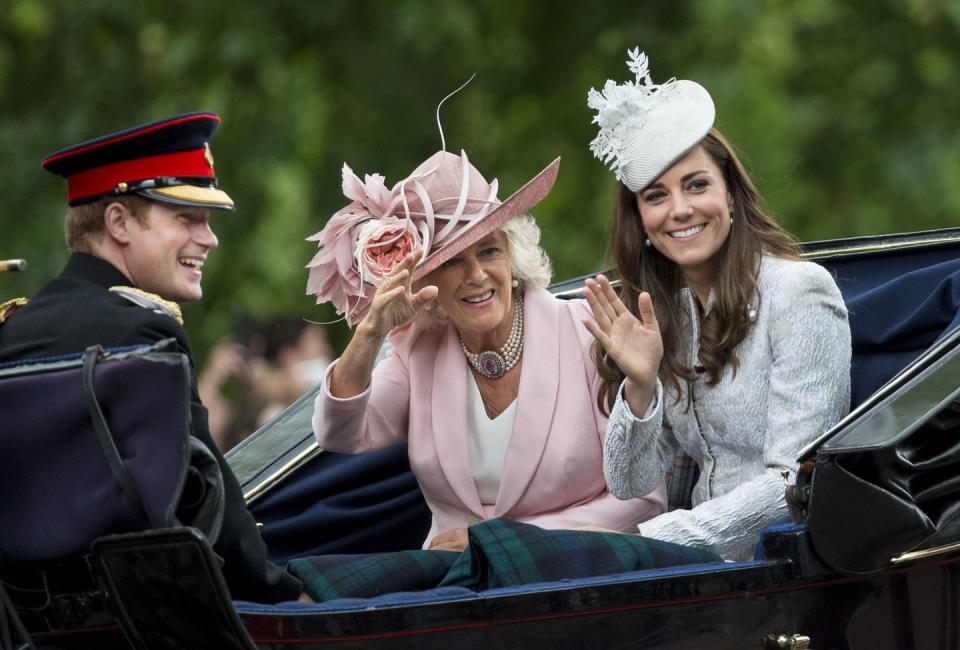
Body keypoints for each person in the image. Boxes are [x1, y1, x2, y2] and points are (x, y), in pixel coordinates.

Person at [0, 113, 305, 602]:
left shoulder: (11, 330)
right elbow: (210, 505)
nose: (210, 238)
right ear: (118, 222)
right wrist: (288, 596)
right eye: (186, 218)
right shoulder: (143, 331)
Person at [309, 149, 665, 552]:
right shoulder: (417, 352)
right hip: (457, 587)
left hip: (573, 576)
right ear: (426, 278)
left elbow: (642, 500)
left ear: (512, 257)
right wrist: (371, 331)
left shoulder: (590, 333)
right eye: (452, 262)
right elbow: (339, 433)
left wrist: (500, 543)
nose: (476, 275)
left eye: (489, 251)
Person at [582, 49, 851, 560]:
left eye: (697, 185)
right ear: (640, 220)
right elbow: (629, 482)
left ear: (730, 195)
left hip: (784, 564)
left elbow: (793, 485)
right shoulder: (667, 315)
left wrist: (656, 542)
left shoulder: (800, 292)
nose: (679, 209)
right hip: (698, 566)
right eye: (656, 196)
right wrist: (640, 386)